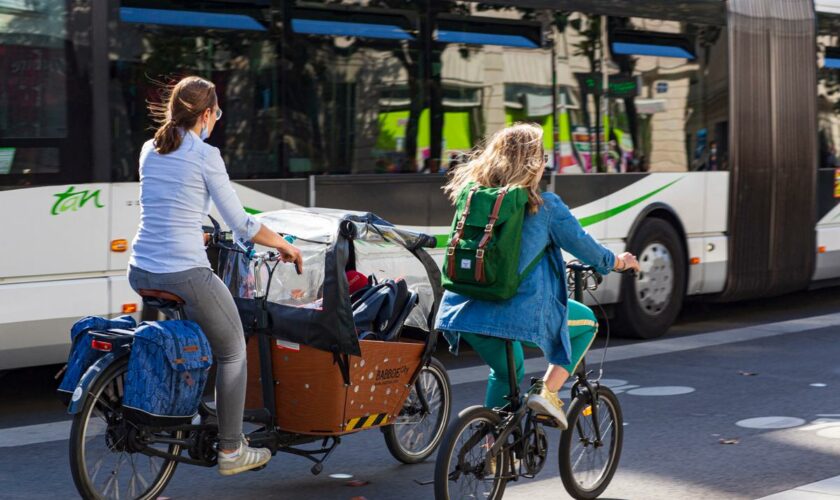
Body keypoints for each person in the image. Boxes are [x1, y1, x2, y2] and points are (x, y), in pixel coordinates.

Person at [127, 76, 303, 475]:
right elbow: (241, 224)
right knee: (233, 348)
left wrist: (197, 229)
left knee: (197, 337)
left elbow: (168, 206)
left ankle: (187, 409)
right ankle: (230, 449)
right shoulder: (206, 155)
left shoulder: (149, 150)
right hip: (183, 271)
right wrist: (284, 245)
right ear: (206, 114)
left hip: (140, 269)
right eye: (216, 114)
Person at [434, 123, 640, 428]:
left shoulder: (472, 198)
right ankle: (548, 391)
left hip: (463, 310)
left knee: (507, 371)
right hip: (517, 312)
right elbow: (588, 250)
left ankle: (492, 448)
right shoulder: (546, 207)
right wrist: (620, 262)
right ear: (534, 163)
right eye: (542, 156)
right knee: (586, 323)